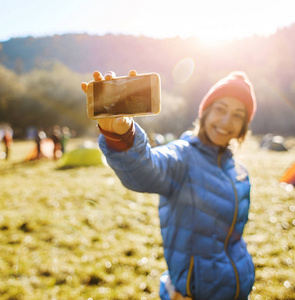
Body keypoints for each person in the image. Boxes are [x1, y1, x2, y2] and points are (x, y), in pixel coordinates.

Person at [82, 69, 257, 300]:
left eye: (238, 115)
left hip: (238, 288)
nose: (226, 121)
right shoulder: (183, 155)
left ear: (244, 125)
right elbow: (146, 169)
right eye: (220, 109)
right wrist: (122, 136)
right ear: (205, 113)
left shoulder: (238, 170)